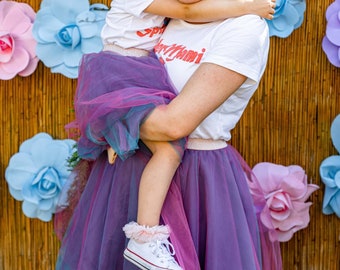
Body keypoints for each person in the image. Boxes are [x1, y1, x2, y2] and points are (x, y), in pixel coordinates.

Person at [56, 0, 281, 269]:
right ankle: (144, 240)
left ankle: (146, 241)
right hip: (127, 177)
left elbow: (175, 124)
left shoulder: (244, 28)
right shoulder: (166, 14)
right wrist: (110, 119)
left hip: (195, 178)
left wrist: (112, 119)